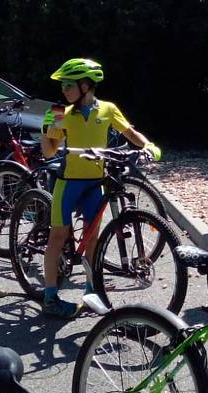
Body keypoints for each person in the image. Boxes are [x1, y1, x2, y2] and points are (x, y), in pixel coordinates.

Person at [39, 58, 161, 318]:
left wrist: (148, 145)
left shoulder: (107, 109)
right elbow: (49, 153)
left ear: (85, 86)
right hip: (68, 183)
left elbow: (128, 131)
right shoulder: (62, 113)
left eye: (68, 84)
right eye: (62, 85)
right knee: (57, 238)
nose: (63, 89)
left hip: (95, 183)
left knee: (93, 240)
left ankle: (92, 289)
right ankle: (49, 297)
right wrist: (45, 129)